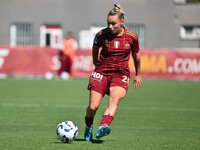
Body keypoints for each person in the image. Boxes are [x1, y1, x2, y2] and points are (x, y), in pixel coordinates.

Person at [84, 3, 143, 141]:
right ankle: (88, 126)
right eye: (108, 23)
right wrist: (95, 63)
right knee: (93, 107)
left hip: (120, 74)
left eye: (113, 23)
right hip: (101, 72)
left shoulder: (132, 37)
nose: (110, 27)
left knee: (114, 99)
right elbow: (95, 47)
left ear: (122, 21)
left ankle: (103, 126)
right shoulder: (101, 35)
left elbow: (136, 56)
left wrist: (138, 74)